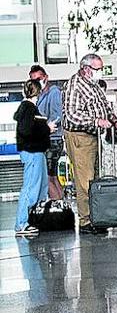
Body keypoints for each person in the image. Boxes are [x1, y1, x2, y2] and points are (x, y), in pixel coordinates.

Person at [62, 53, 117, 233]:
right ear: (85, 69)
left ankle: (97, 216)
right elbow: (72, 114)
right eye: (97, 69)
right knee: (85, 179)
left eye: (101, 69)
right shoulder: (74, 86)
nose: (100, 73)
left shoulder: (94, 85)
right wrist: (96, 121)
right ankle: (85, 221)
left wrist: (114, 121)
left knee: (95, 177)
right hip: (79, 136)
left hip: (94, 136)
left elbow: (104, 107)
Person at [14, 80, 54, 237]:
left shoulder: (27, 108)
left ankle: (29, 221)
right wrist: (46, 128)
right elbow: (27, 130)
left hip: (35, 152)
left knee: (39, 187)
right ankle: (22, 223)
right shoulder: (28, 108)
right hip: (32, 152)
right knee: (31, 187)